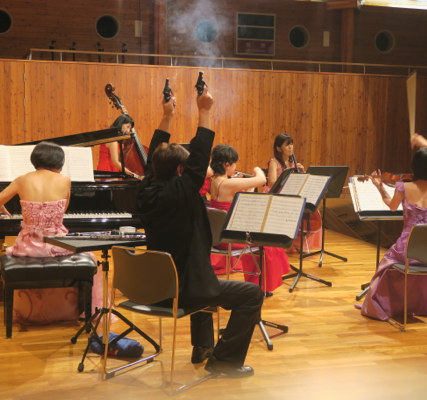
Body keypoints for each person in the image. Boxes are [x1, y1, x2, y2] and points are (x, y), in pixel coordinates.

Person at [136, 85, 263, 378]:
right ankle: (225, 360)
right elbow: (198, 158)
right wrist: (204, 111)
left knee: (204, 276)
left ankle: (203, 347)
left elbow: (154, 158)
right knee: (251, 294)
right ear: (182, 172)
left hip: (155, 287)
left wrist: (167, 116)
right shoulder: (181, 192)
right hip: (185, 291)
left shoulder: (145, 190)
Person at [0, 142, 100, 325]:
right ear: (59, 161)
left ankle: (31, 311)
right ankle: (67, 309)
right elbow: (63, 210)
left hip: (27, 246)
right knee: (92, 258)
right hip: (57, 243)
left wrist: (0, 207)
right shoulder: (65, 180)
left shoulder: (21, 179)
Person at [359, 134, 427, 322]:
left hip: (407, 249)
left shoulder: (404, 187)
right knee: (413, 264)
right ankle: (420, 304)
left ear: (415, 167)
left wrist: (379, 187)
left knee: (386, 264)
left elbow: (391, 206)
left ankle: (388, 304)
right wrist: (423, 142)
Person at [209, 144, 290, 296]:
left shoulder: (215, 181)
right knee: (268, 244)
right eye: (234, 164)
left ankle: (257, 284)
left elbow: (239, 200)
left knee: (263, 240)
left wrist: (247, 186)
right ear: (226, 165)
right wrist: (257, 169)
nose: (235, 167)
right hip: (228, 238)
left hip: (220, 235)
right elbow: (261, 179)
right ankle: (260, 287)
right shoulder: (227, 183)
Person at [262, 133, 321, 253]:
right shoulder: (274, 162)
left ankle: (299, 243)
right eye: (287, 145)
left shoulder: (293, 162)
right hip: (277, 194)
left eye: (291, 144)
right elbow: (272, 182)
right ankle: (286, 243)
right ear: (279, 148)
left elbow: (300, 182)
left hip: (290, 195)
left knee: (311, 209)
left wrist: (302, 172)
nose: (291, 147)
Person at [96, 110, 142, 178]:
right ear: (121, 124)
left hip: (107, 168)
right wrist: (134, 175)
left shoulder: (112, 136)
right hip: (108, 169)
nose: (128, 130)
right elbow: (115, 162)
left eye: (130, 128)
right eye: (127, 126)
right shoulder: (113, 140)